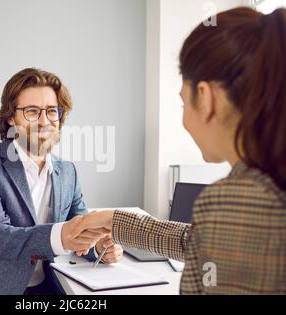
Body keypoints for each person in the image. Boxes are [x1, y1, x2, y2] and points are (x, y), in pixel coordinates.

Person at [70, 7, 286, 295]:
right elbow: (193, 240)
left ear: (206, 98)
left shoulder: (234, 199)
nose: (184, 120)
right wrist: (114, 220)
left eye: (183, 103)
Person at [0, 68, 122, 295]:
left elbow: (79, 227)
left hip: (48, 286)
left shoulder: (68, 172)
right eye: (32, 111)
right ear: (11, 117)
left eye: (52, 111)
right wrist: (63, 235)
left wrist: (97, 246)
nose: (44, 121)